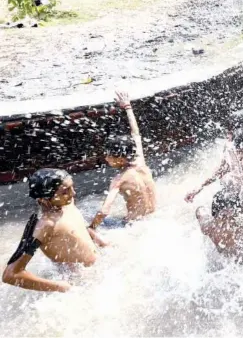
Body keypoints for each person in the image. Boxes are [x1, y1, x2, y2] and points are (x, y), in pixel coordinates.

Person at [2, 169, 106, 293]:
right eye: (65, 191)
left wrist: (98, 239)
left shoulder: (66, 202)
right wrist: (60, 287)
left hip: (99, 271)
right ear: (44, 200)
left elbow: (75, 228)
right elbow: (11, 275)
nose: (73, 193)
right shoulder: (44, 226)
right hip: (80, 285)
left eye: (72, 187)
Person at [89, 91, 156, 230]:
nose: (106, 158)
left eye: (108, 155)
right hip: (153, 217)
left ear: (120, 158)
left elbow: (104, 211)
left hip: (134, 226)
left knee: (89, 215)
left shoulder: (119, 180)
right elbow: (135, 133)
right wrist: (127, 107)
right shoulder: (140, 162)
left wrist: (91, 228)